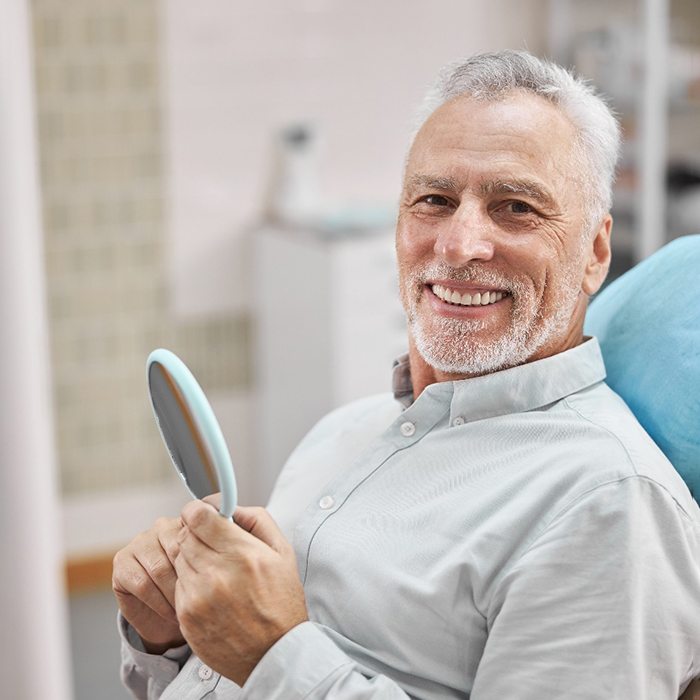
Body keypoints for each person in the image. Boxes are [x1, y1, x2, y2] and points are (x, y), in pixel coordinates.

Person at [113, 50, 700, 699]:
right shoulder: (343, 432)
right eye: (434, 200)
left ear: (594, 251)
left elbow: (267, 661)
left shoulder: (607, 502)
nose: (458, 244)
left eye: (515, 208)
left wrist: (274, 656)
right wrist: (168, 642)